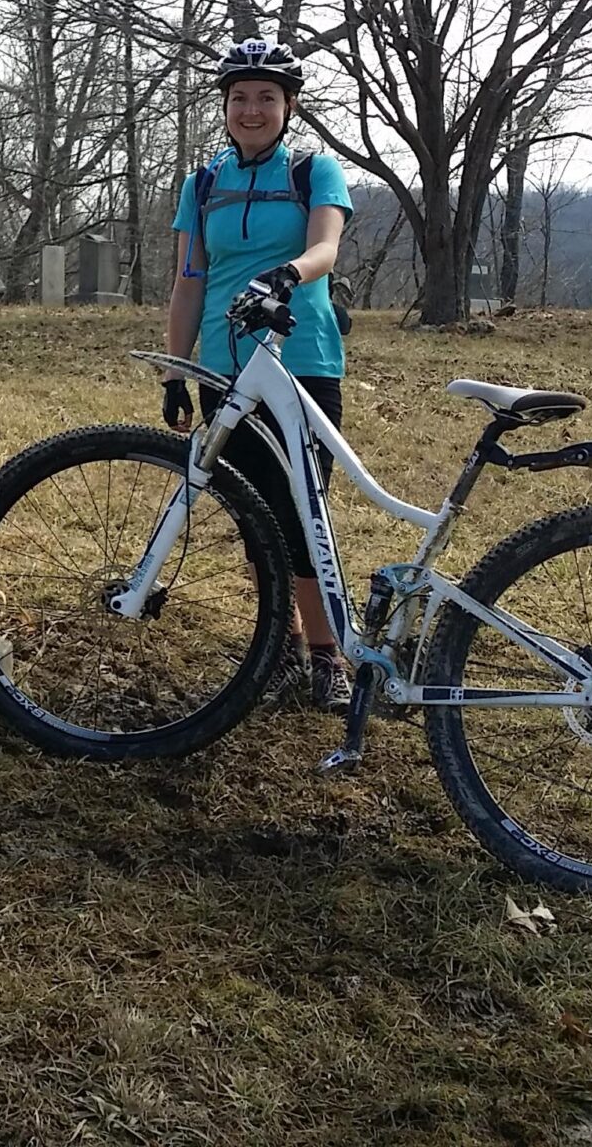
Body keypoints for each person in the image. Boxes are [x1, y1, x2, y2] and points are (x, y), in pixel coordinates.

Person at [159, 38, 354, 713]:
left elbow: (326, 246)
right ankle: (279, 646)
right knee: (253, 517)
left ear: (288, 107)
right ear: (225, 106)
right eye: (239, 98)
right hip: (224, 367)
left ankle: (328, 657)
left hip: (300, 361)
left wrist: (289, 272)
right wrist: (177, 372)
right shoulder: (203, 184)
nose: (251, 109)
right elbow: (190, 280)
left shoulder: (312, 170)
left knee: (304, 517)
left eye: (266, 98)